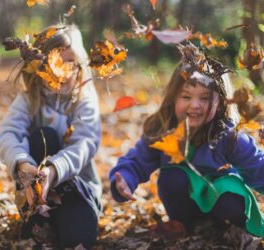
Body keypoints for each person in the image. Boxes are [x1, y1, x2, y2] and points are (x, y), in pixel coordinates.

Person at [109, 43, 264, 237]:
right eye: (186, 96)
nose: (195, 105)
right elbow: (138, 160)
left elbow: (257, 166)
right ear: (173, 98)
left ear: (222, 102)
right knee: (172, 176)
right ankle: (184, 227)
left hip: (221, 203)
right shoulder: (163, 131)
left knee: (229, 194)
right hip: (184, 206)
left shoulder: (229, 137)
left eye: (205, 98)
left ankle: (225, 228)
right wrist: (125, 178)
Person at [0, 23, 102, 249]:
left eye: (70, 61)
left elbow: (85, 143)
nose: (62, 70)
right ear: (38, 65)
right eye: (53, 61)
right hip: (34, 190)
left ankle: (68, 219)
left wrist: (53, 171)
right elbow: (8, 134)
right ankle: (36, 217)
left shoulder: (84, 100)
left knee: (79, 238)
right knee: (44, 136)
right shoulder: (29, 99)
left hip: (77, 190)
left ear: (80, 63)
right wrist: (23, 164)